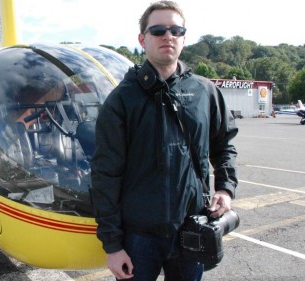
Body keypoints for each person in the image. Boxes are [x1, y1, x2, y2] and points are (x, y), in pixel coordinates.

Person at [90, 1, 238, 280]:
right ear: (142, 39)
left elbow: (224, 145)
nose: (167, 36)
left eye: (175, 30)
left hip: (192, 229)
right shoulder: (122, 99)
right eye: (158, 30)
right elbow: (105, 174)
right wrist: (112, 244)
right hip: (138, 238)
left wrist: (226, 188)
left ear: (184, 37)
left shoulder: (205, 92)